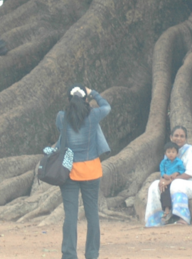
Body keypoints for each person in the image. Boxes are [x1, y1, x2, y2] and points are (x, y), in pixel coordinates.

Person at [56, 85, 110, 259]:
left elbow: (61, 133)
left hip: (68, 171)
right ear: (86, 100)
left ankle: (69, 254)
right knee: (92, 214)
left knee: (70, 216)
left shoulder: (61, 117)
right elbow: (107, 107)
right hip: (91, 171)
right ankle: (92, 254)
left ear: (68, 100)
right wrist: (93, 92)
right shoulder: (94, 115)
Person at [144, 126, 192, 227]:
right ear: (171, 137)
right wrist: (162, 180)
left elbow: (190, 173)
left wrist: (170, 181)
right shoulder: (169, 152)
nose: (179, 138)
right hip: (175, 182)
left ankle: (182, 218)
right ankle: (155, 221)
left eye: (182, 136)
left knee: (176, 184)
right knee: (154, 185)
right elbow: (165, 172)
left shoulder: (190, 150)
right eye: (176, 135)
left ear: (185, 139)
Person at [158, 142, 186, 222]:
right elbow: (162, 171)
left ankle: (173, 210)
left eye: (173, 152)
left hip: (175, 179)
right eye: (169, 152)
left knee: (171, 189)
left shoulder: (179, 162)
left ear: (177, 153)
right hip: (167, 179)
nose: (171, 154)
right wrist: (164, 175)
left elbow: (182, 170)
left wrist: (176, 173)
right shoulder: (164, 162)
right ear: (165, 153)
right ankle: (166, 208)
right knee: (164, 190)